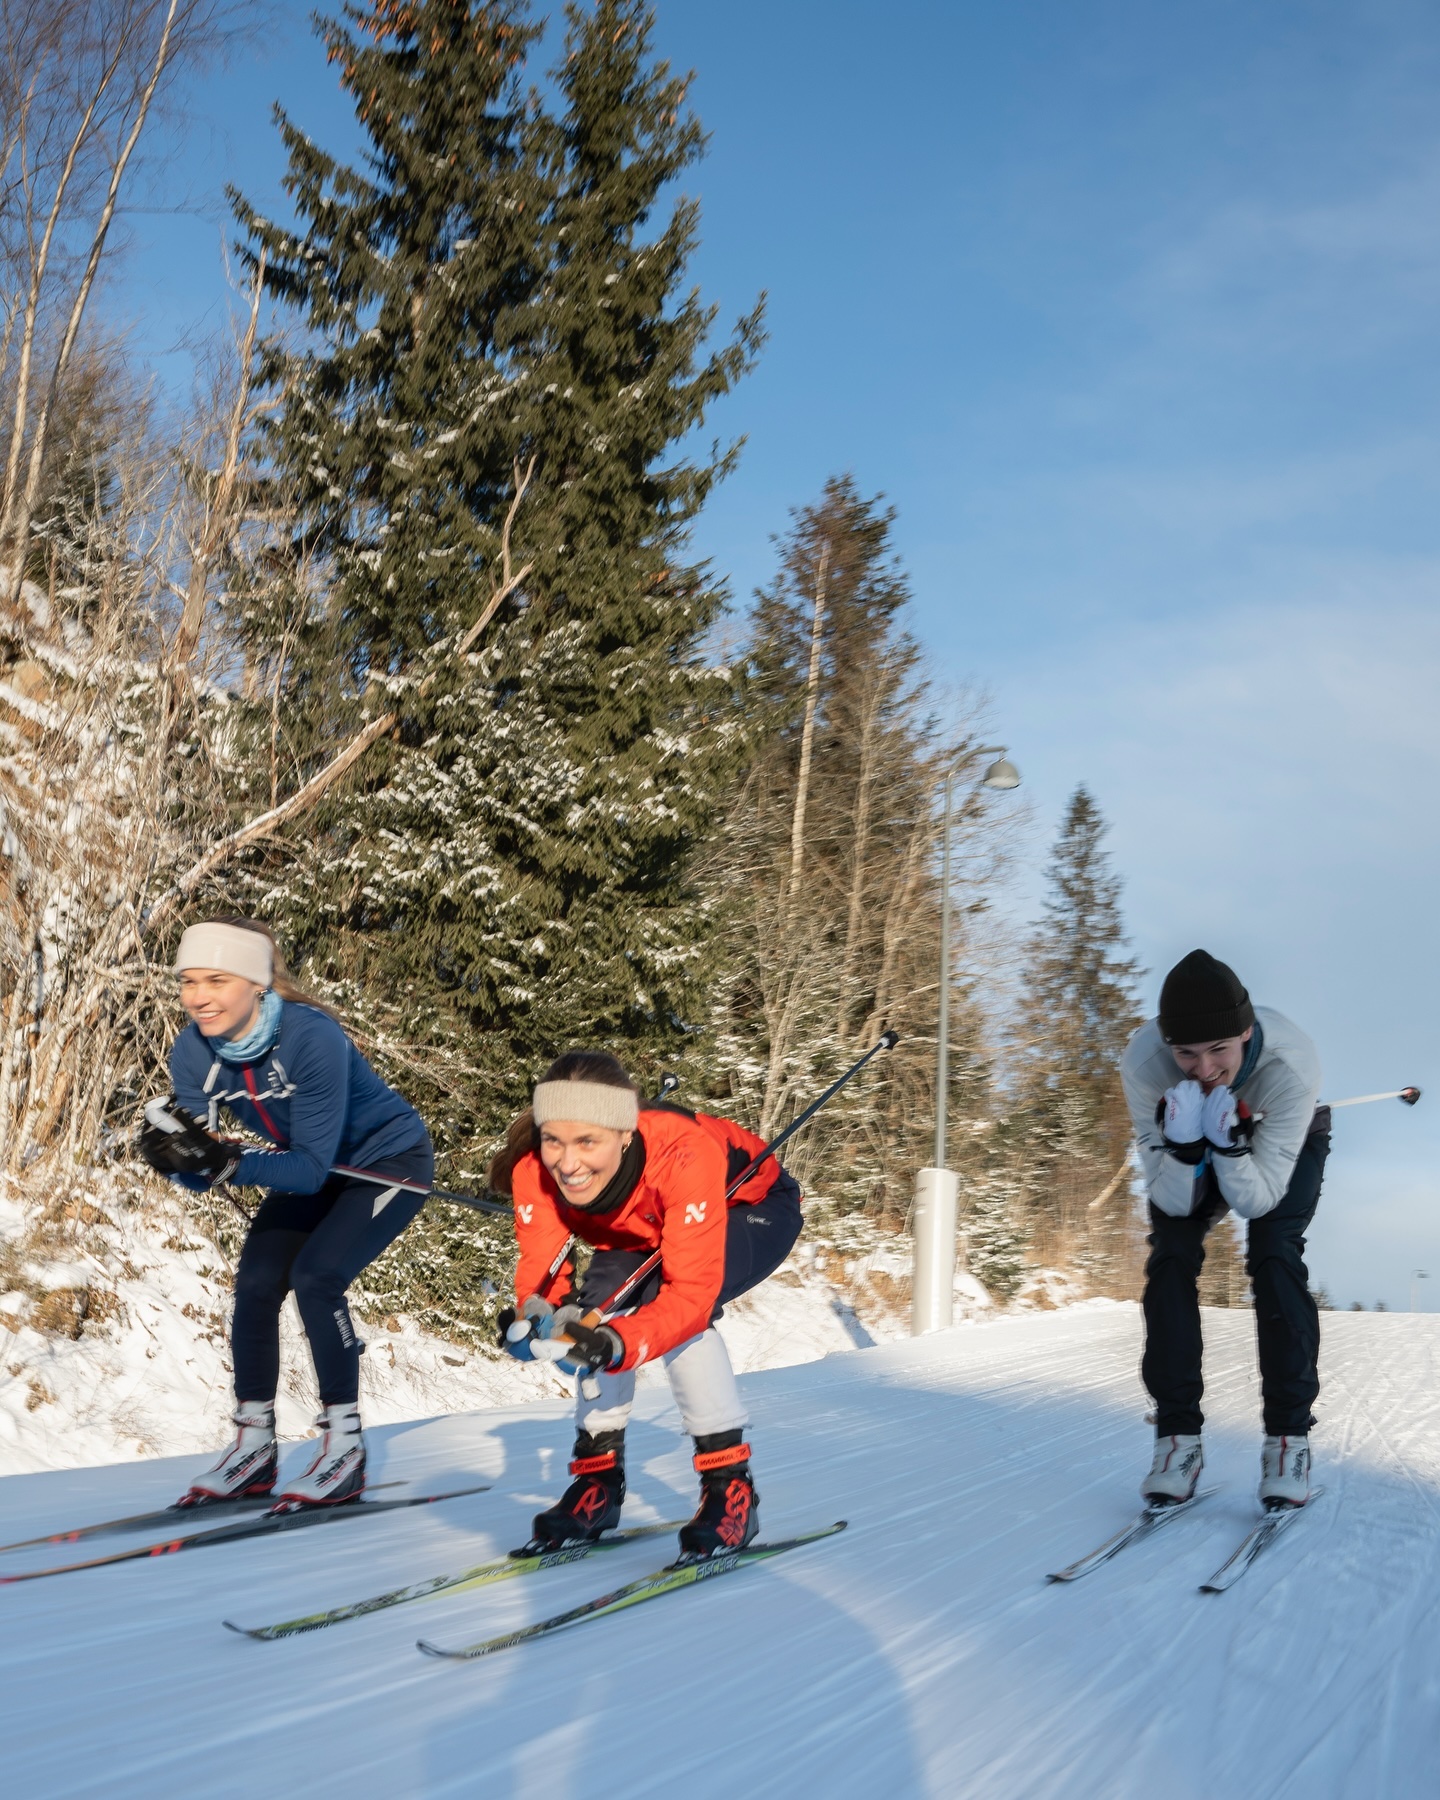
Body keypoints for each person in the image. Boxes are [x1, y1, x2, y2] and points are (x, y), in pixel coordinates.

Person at [139, 917, 434, 1508]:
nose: (199, 996)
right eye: (189, 981)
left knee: (315, 1276)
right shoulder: (193, 1050)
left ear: (255, 983)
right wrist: (175, 1157)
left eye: (216, 980)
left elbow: (310, 1171)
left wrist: (221, 1162)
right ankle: (254, 1447)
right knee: (253, 1283)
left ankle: (344, 1448)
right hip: (309, 1167)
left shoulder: (310, 1038)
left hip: (385, 1164)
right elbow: (206, 1172)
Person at [491, 1051, 804, 1560]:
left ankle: (731, 1491)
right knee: (586, 1325)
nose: (567, 1164)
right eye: (554, 1140)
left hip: (747, 1207)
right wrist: (536, 1323)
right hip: (643, 1228)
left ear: (624, 1134)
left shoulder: (684, 1152)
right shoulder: (536, 1169)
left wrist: (621, 1343)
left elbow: (689, 1297)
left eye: (587, 1142)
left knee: (674, 1318)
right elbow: (544, 1274)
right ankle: (598, 1485)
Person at [1121, 949, 1327, 1511]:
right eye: (1185, 1054)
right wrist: (1187, 1150)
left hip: (1277, 1142)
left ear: (1246, 1032)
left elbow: (1256, 1200)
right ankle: (1176, 1442)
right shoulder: (1144, 1066)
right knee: (1170, 1254)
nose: (1204, 1069)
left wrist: (1231, 1146)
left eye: (1218, 1050)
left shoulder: (1291, 1063)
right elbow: (1169, 1199)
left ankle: (1288, 1441)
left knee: (1274, 1252)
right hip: (1192, 1139)